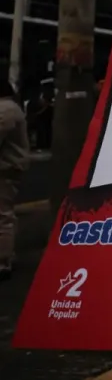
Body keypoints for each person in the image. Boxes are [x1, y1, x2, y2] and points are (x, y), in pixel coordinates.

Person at [0, 78, 30, 282]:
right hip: (9, 167)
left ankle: (3, 261)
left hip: (6, 168)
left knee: (3, 215)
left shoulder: (5, 110)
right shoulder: (10, 108)